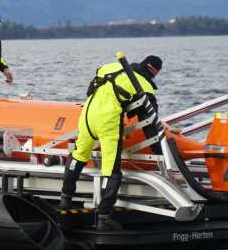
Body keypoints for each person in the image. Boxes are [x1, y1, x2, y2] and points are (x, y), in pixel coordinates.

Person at [59, 55, 162, 231]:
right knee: (110, 170)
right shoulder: (143, 85)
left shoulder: (110, 67)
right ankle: (104, 217)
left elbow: (91, 87)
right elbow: (150, 124)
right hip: (107, 121)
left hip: (87, 116)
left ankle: (65, 200)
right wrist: (158, 153)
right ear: (154, 72)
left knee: (78, 156)